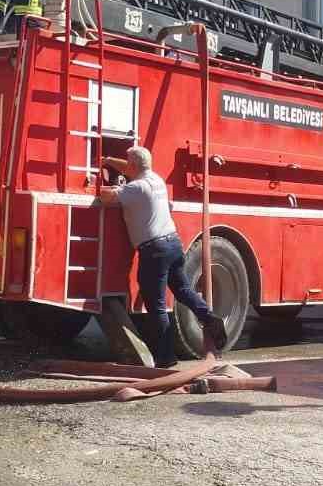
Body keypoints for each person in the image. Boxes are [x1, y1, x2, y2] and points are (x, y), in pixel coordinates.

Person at [97, 145, 227, 368]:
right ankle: (209, 318)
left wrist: (96, 183)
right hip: (173, 244)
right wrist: (107, 159)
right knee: (183, 290)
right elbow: (131, 168)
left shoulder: (135, 188)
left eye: (127, 163)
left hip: (154, 251)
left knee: (156, 305)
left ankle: (166, 358)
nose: (125, 166)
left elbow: (107, 197)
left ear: (133, 166)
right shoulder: (156, 180)